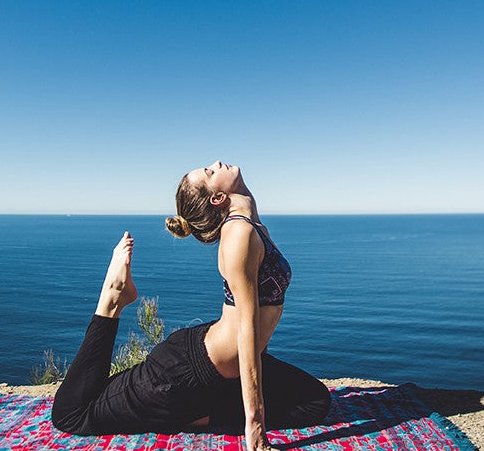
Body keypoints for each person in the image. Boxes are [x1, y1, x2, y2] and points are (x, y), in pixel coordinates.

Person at [51, 161, 330, 450]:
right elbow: (246, 330)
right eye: (210, 172)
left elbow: (256, 326)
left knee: (315, 401)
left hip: (219, 368)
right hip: (183, 373)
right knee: (73, 415)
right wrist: (255, 429)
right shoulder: (239, 235)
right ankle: (112, 299)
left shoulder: (253, 227)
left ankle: (196, 412)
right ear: (218, 198)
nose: (216, 164)